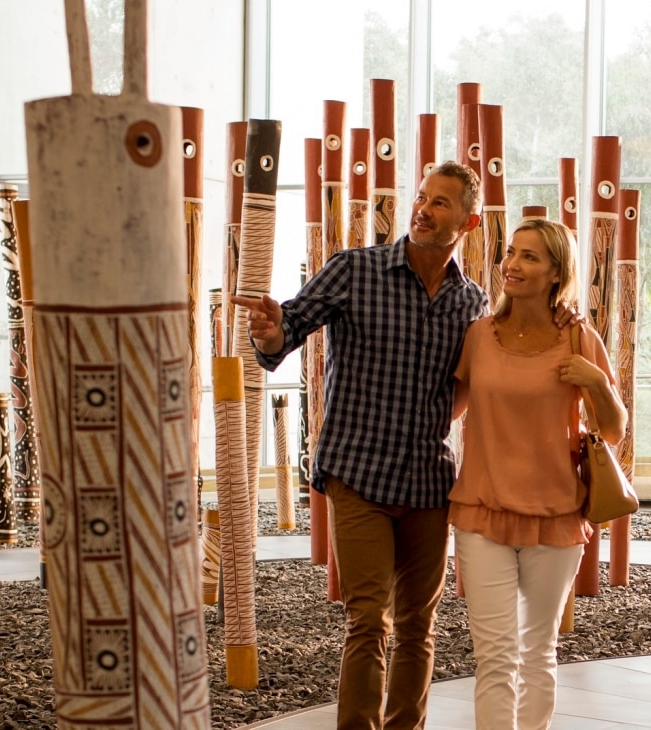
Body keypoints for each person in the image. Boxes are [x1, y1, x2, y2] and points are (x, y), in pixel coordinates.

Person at [238, 160, 567, 730]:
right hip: (358, 474)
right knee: (368, 619)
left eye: (441, 202)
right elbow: (288, 326)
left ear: (465, 223)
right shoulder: (354, 270)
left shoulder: (472, 306)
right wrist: (270, 333)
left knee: (418, 624)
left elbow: (469, 385)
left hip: (427, 483)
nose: (424, 208)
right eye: (422, 196)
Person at [449, 219, 624, 730]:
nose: (513, 265)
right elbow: (449, 410)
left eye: (529, 257)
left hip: (557, 516)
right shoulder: (479, 336)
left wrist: (596, 382)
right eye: (511, 254)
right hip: (481, 512)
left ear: (555, 272)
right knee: (496, 658)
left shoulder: (577, 337)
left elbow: (611, 430)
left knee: (538, 652)